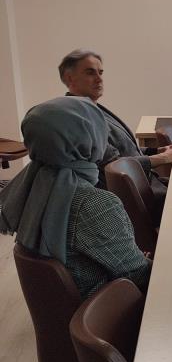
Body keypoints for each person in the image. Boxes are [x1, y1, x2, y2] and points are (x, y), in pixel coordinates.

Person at [0, 97, 151, 299]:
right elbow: (140, 276)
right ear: (89, 138)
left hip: (67, 307)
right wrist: (145, 260)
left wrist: (132, 256)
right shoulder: (96, 204)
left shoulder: (30, 186)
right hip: (112, 308)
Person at [59, 49, 172, 197]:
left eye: (100, 73)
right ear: (70, 78)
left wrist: (156, 151)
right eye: (90, 73)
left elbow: (121, 148)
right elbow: (113, 164)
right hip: (140, 196)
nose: (99, 79)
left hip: (149, 184)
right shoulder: (77, 117)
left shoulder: (92, 108)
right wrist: (165, 158)